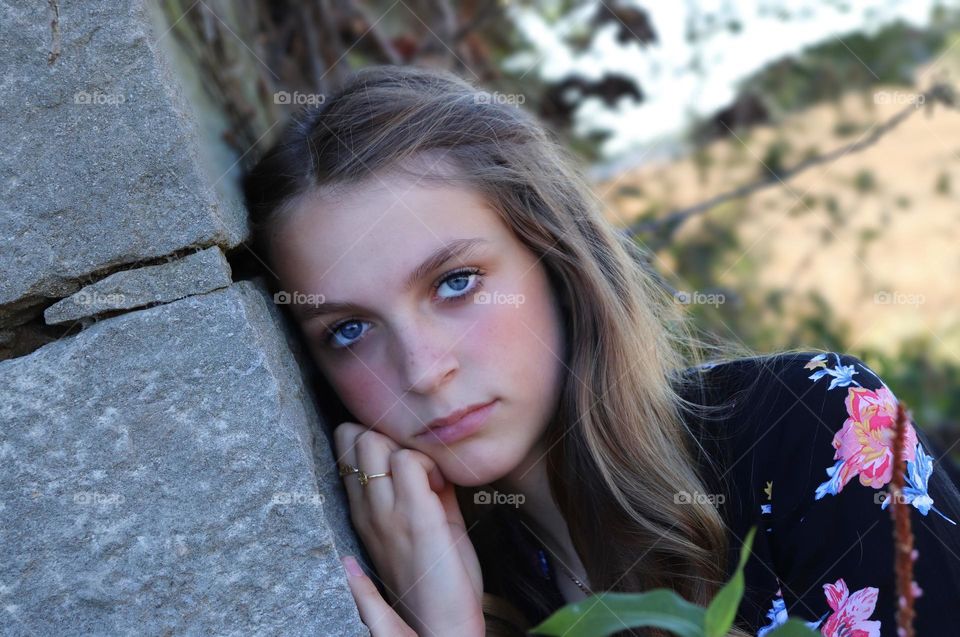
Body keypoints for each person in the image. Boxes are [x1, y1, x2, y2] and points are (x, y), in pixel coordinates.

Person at [242, 64, 960, 637]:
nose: (424, 371)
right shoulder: (412, 572)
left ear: (557, 259)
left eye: (456, 282)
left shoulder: (806, 428)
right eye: (348, 329)